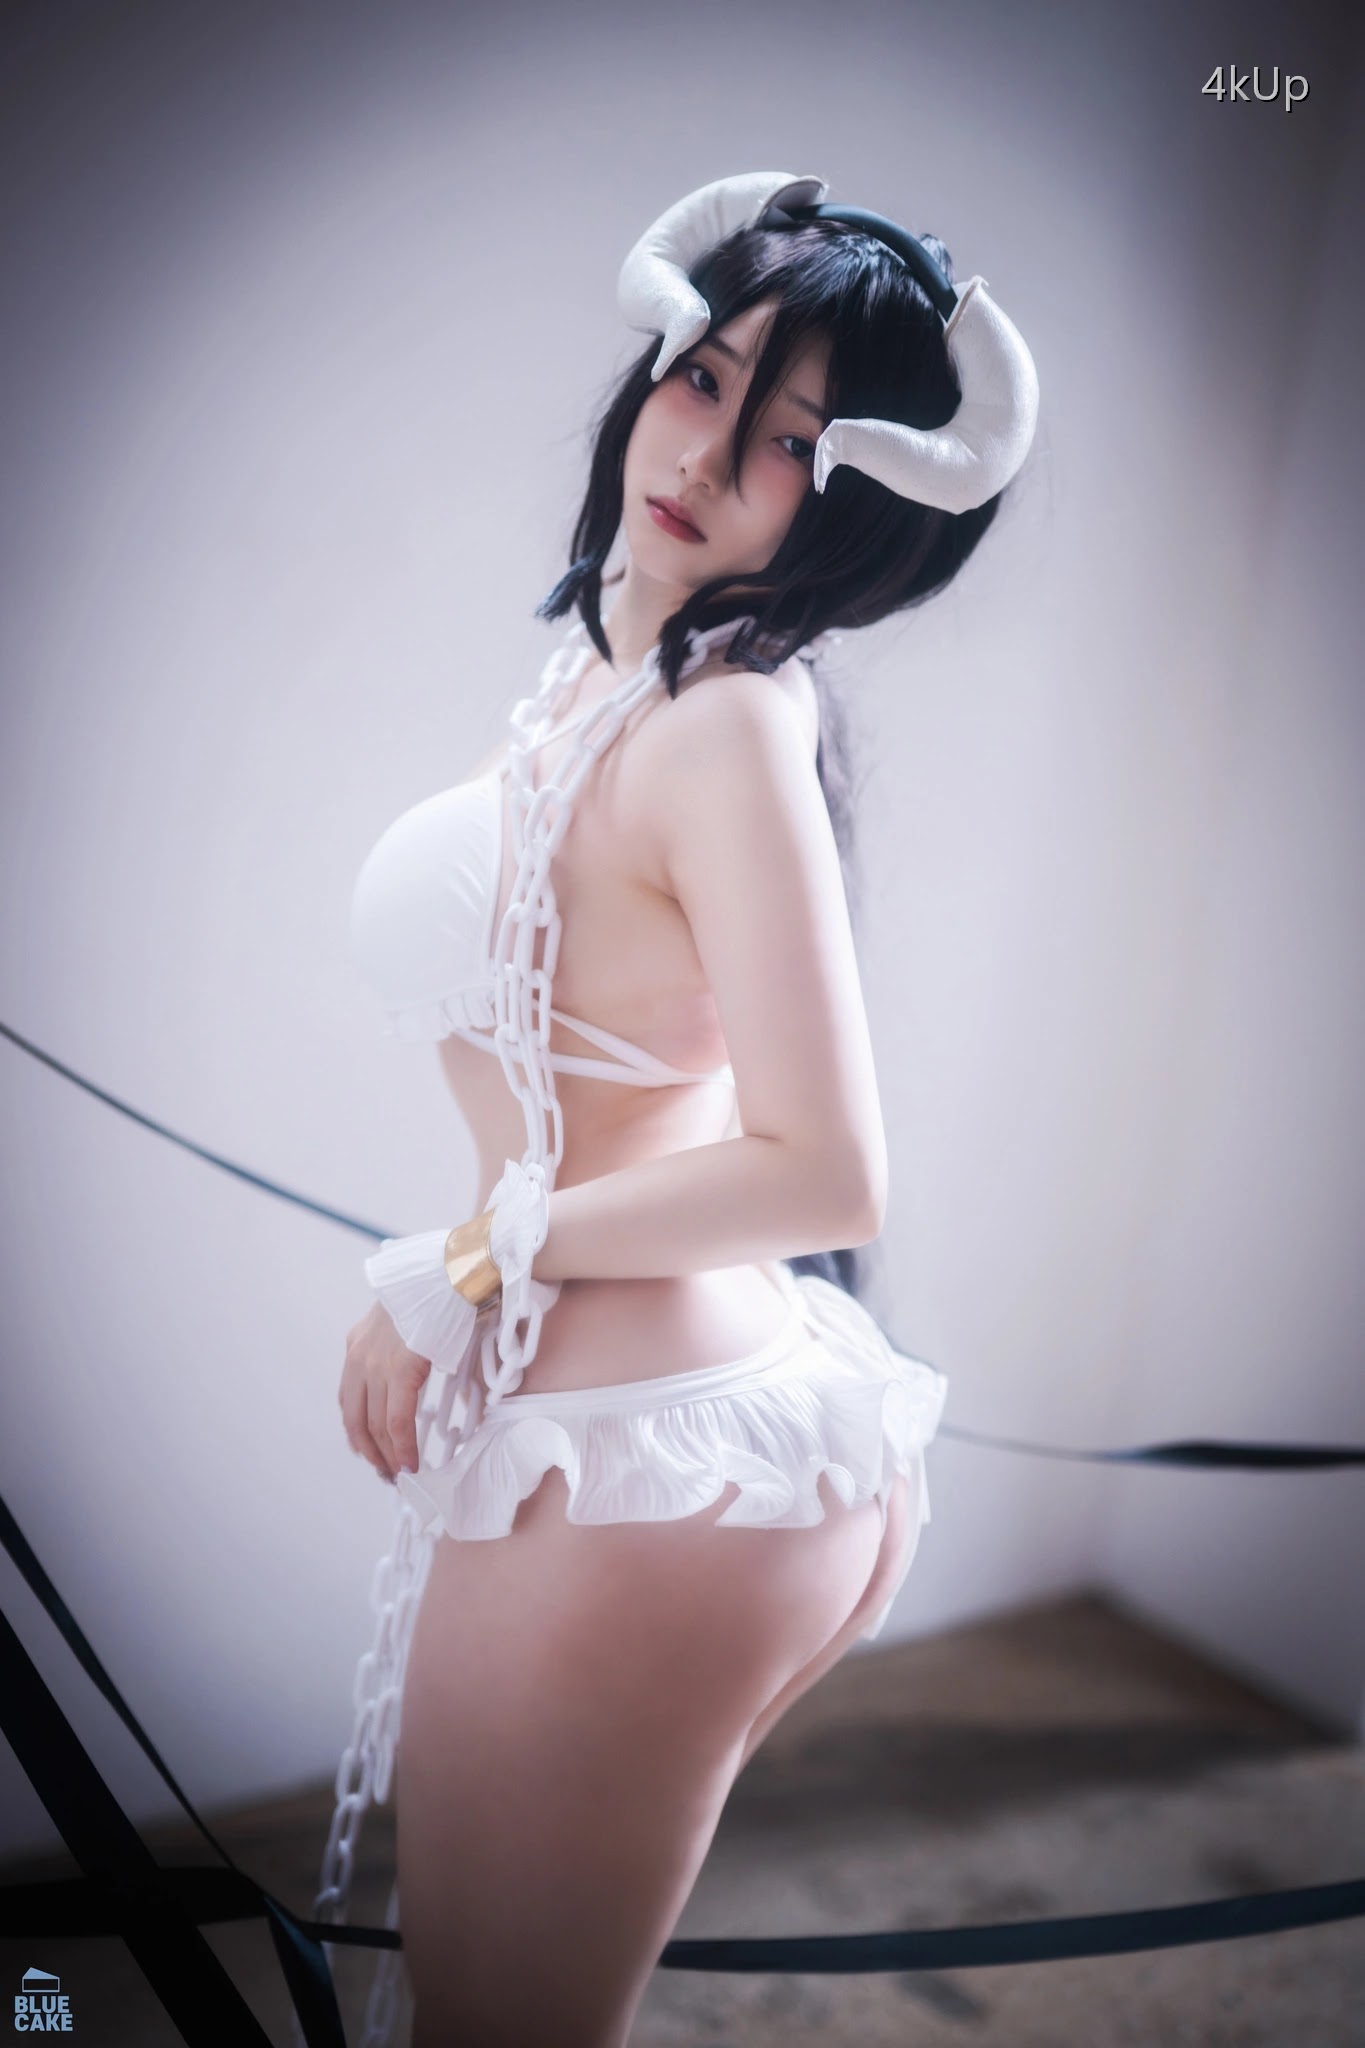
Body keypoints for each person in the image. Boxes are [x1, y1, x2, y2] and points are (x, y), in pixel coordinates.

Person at [317, 171, 1038, 2048]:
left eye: (787, 438)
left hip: (648, 1470)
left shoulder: (723, 723)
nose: (707, 453)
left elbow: (824, 1169)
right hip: (633, 1437)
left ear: (854, 497)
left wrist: (470, 1261)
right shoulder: (618, 667)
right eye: (701, 380)